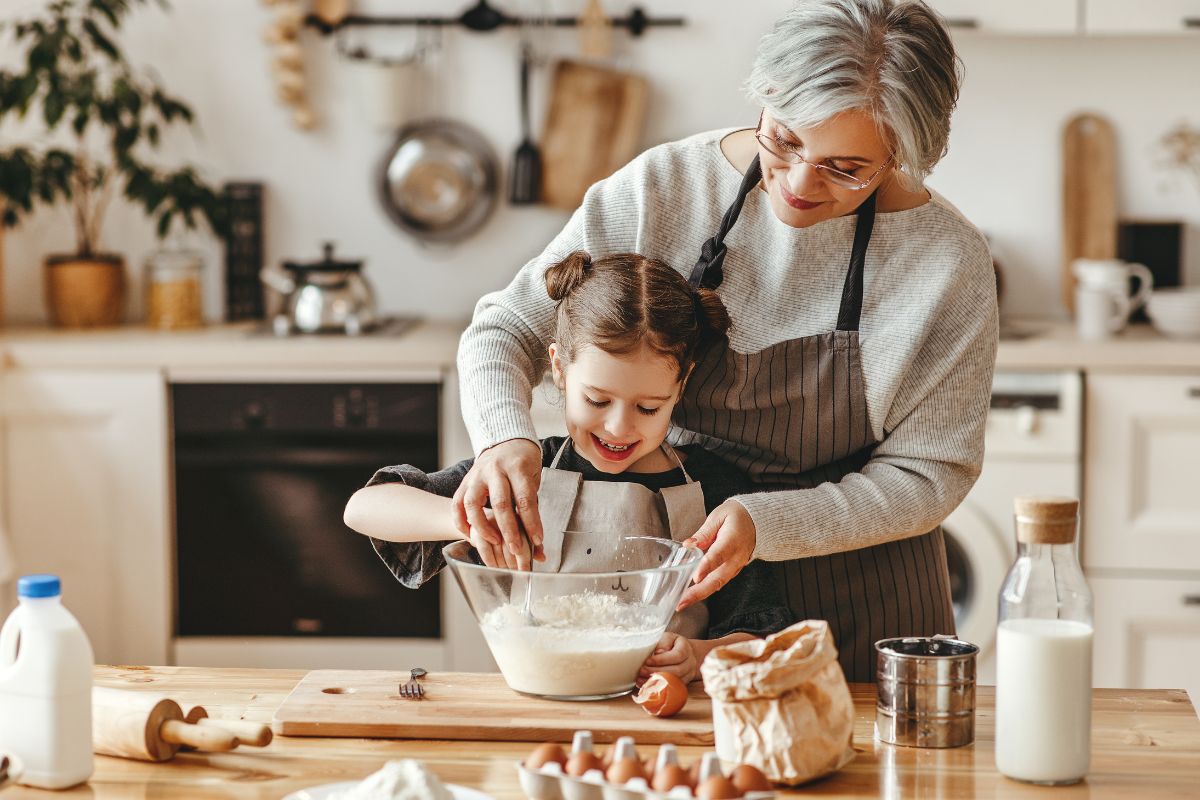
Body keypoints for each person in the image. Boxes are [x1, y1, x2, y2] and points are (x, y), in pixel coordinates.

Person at [450, 0, 999, 682]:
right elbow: (506, 329)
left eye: (847, 168)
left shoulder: (946, 263)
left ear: (907, 153)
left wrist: (765, 520)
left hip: (868, 602)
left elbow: (930, 475)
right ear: (762, 99)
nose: (800, 184)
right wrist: (504, 435)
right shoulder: (663, 189)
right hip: (682, 606)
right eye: (785, 141)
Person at [344, 250, 791, 684]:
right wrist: (465, 519)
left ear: (683, 383)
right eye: (597, 400)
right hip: (539, 709)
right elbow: (364, 508)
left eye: (649, 408)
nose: (619, 427)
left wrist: (697, 657)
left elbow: (762, 635)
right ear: (558, 369)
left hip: (667, 721)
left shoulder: (714, 488)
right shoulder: (522, 477)